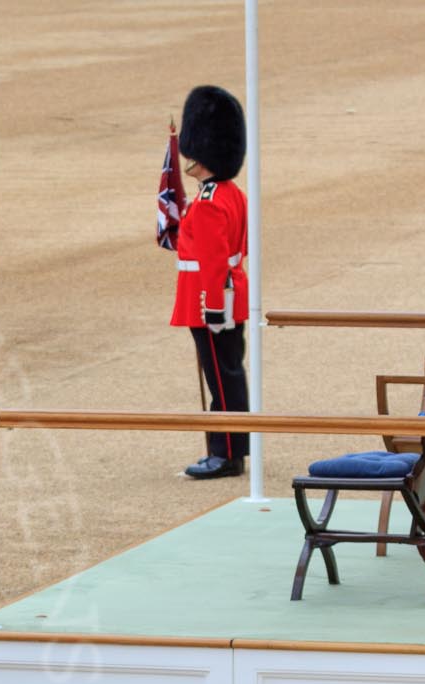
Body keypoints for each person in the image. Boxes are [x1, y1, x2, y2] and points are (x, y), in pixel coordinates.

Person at [170, 85, 251, 481]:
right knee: (229, 374)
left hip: (210, 302)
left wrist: (214, 307)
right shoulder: (230, 194)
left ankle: (226, 453)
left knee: (220, 377)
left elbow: (214, 262)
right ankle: (231, 448)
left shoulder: (207, 203)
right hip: (228, 296)